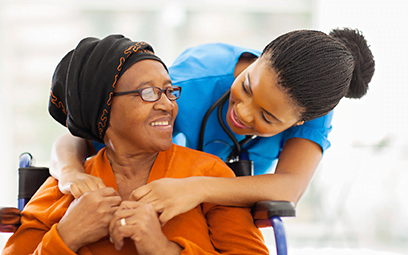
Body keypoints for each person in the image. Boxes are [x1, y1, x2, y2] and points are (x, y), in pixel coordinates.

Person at [49, 28, 375, 225]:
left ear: (300, 121)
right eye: (246, 87)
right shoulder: (189, 83)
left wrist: (196, 187)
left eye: (268, 117)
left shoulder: (311, 107)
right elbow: (74, 138)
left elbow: (289, 188)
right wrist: (71, 174)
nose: (244, 114)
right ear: (259, 58)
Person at [1, 35, 269, 255]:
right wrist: (66, 236)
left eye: (168, 90)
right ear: (103, 108)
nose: (167, 104)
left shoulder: (208, 174)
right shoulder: (64, 188)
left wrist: (163, 249)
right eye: (148, 93)